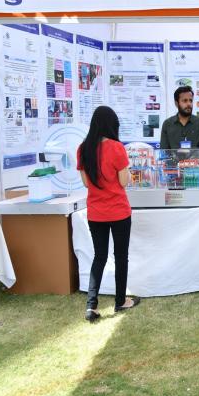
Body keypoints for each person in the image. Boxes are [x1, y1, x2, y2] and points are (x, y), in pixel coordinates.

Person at [77, 106, 140, 322]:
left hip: (95, 212)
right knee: (121, 257)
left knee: (99, 256)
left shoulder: (83, 149)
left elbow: (86, 183)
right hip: (118, 211)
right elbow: (123, 181)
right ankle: (120, 301)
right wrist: (128, 174)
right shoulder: (116, 147)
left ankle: (91, 306)